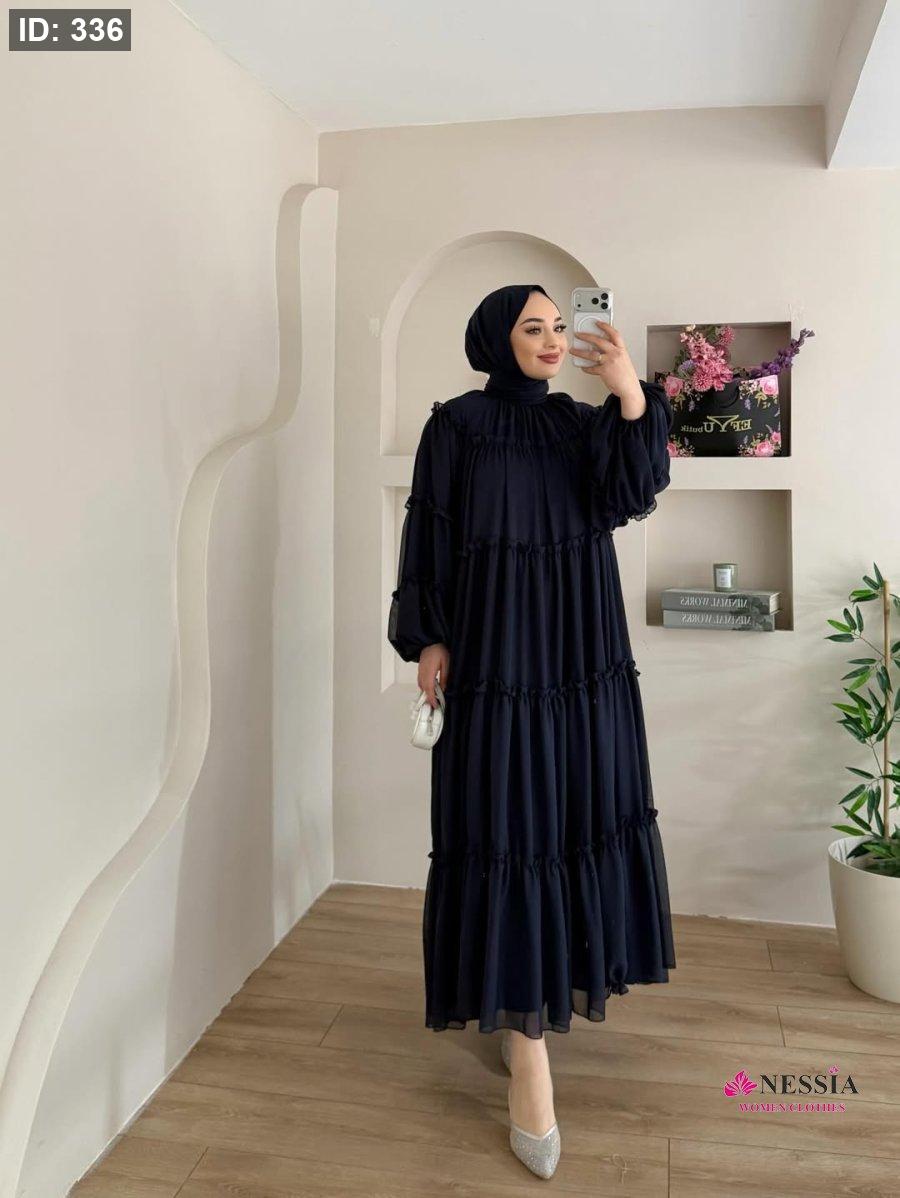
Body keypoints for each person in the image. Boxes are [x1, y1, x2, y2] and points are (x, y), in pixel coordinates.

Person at [387, 283, 677, 1179]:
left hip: (579, 654)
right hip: (494, 658)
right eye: (533, 327)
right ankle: (528, 1054)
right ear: (495, 338)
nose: (552, 341)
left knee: (570, 821)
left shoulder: (582, 426)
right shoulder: (457, 426)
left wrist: (628, 391)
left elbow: (636, 489)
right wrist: (429, 636)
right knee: (505, 826)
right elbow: (429, 531)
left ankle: (530, 998)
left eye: (560, 327)